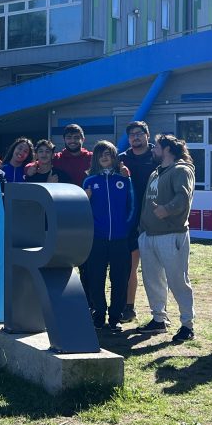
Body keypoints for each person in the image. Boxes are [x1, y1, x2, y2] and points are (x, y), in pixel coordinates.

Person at [136, 134, 196, 343]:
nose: (152, 149)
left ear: (168, 149)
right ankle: (158, 319)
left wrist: (167, 210)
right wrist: (142, 229)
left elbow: (183, 197)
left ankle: (187, 325)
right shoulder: (156, 172)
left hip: (172, 235)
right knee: (152, 280)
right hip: (149, 235)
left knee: (178, 281)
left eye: (157, 146)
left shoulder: (181, 170)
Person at [80, 141, 136, 333]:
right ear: (95, 158)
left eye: (108, 154)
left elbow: (132, 206)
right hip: (97, 239)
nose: (105, 157)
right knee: (96, 278)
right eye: (101, 154)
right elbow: (82, 211)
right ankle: (98, 315)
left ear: (114, 157)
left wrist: (125, 229)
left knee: (120, 279)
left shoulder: (123, 179)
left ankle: (115, 317)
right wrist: (84, 199)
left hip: (120, 239)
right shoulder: (89, 181)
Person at [119, 120, 157, 324]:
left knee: (156, 269)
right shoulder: (122, 160)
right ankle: (128, 307)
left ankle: (160, 314)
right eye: (132, 134)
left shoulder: (158, 156)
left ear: (147, 135)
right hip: (131, 220)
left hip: (156, 219)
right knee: (129, 266)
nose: (135, 137)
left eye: (139, 133)